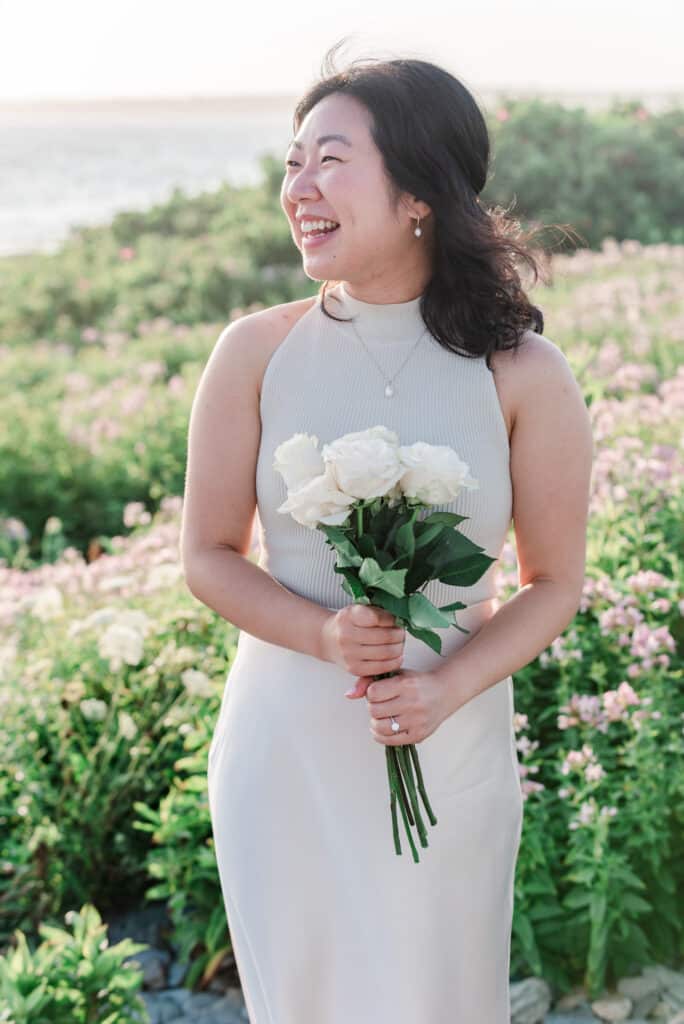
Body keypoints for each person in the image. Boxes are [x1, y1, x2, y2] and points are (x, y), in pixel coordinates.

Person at [180, 47, 593, 1024]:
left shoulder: (523, 371)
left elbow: (555, 581)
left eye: (331, 160)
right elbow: (206, 557)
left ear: (418, 191)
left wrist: (446, 687)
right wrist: (324, 636)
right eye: (293, 163)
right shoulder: (254, 350)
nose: (300, 188)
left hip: (448, 749)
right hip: (286, 746)